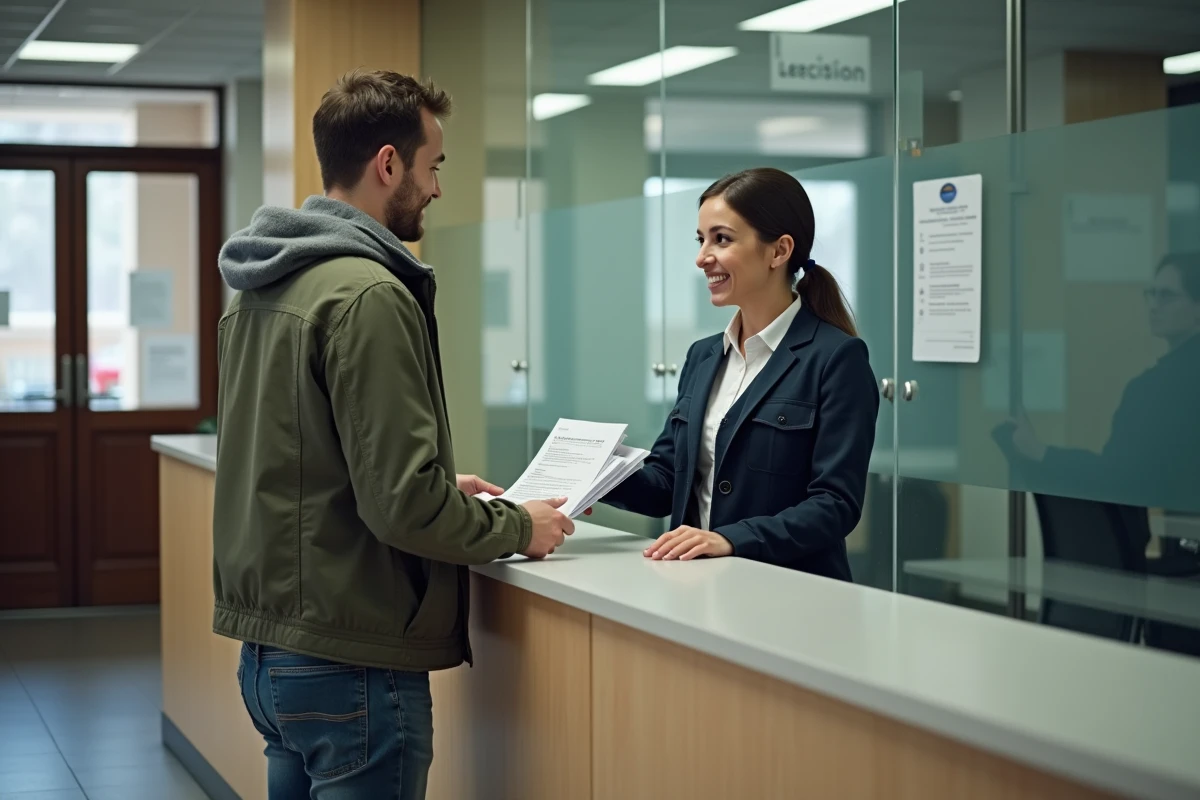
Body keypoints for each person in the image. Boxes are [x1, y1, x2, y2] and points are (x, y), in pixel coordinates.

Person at [212, 69, 573, 799]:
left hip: (270, 656)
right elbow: (401, 507)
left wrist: (444, 488)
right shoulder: (368, 293)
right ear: (388, 164)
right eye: (432, 165)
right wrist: (514, 525)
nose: (437, 188)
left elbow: (305, 466)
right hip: (353, 664)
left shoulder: (261, 287)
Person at [602, 168, 879, 580]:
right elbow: (666, 481)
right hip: (700, 584)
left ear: (779, 251)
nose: (702, 257)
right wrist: (601, 476)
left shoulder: (837, 358)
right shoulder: (703, 356)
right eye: (701, 240)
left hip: (791, 591)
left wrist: (733, 539)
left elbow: (835, 504)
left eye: (722, 239)